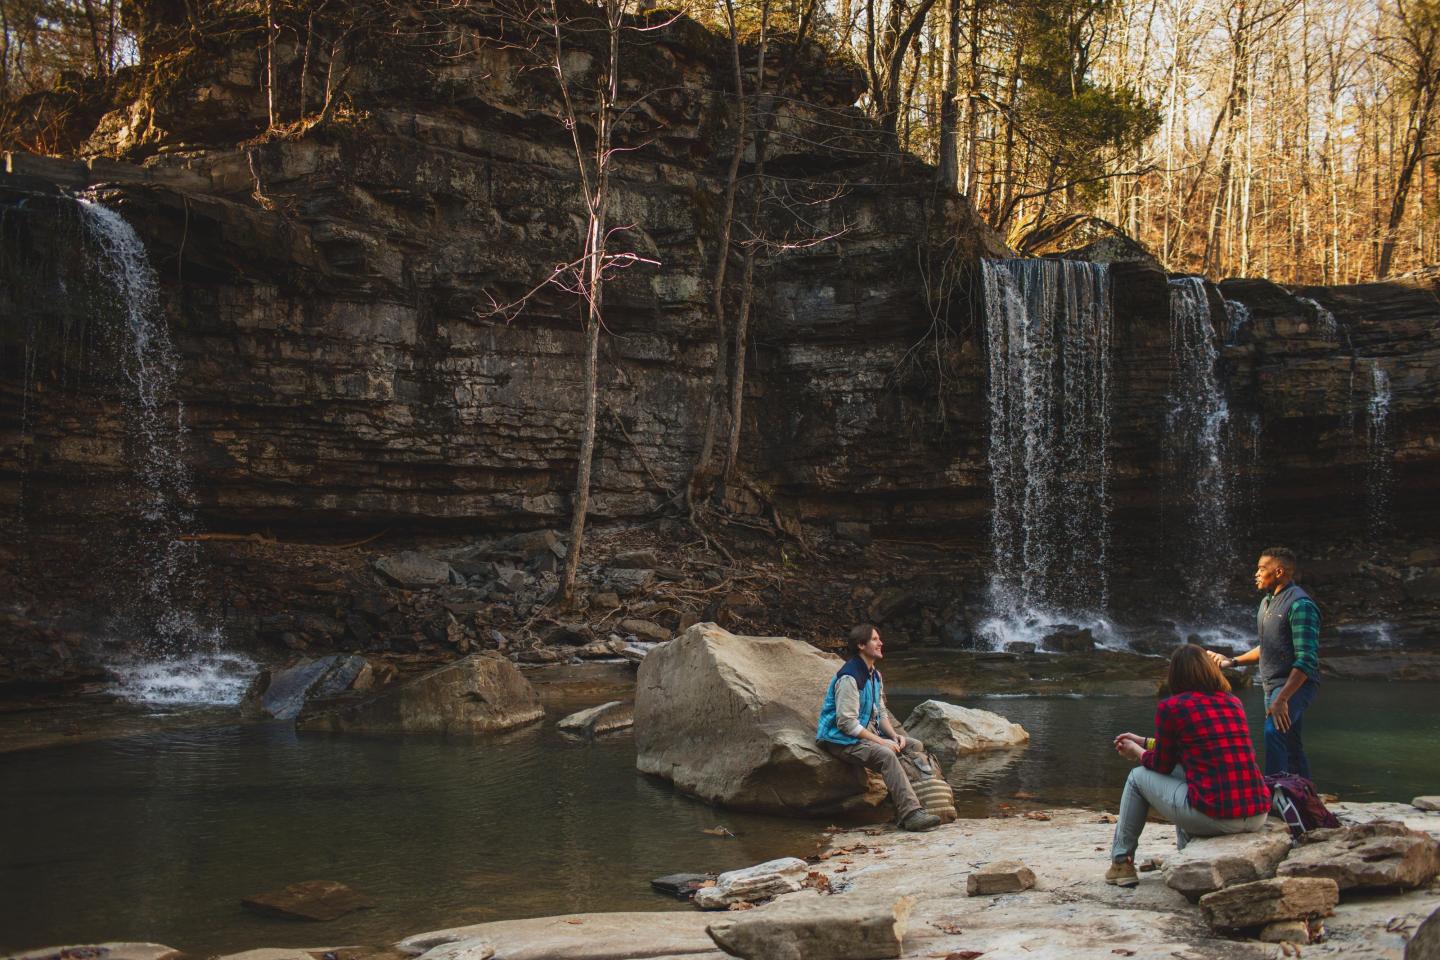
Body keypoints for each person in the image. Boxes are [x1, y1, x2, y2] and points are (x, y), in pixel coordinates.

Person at [1106, 644, 1270, 887]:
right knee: (1188, 779)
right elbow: (1190, 749)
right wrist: (1145, 742)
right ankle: (1186, 857)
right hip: (1257, 813)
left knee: (1137, 777)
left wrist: (1136, 752)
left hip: (1218, 816)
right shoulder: (1232, 702)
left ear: (1176, 675)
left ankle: (1122, 863)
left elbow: (1162, 765)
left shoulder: (1172, 707)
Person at [1206, 547, 1321, 779]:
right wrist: (1232, 661)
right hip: (1273, 685)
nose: (1256, 574)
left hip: (1293, 684)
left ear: (1279, 572)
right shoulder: (1267, 603)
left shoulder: (1301, 605)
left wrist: (1283, 698)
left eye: (1261, 569)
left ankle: (1273, 794)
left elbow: (1307, 659)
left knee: (1273, 733)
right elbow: (1268, 646)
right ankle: (1305, 798)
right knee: (1290, 743)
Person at [816, 624, 941, 832]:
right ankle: (910, 815)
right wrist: (882, 742)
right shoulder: (849, 677)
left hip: (863, 735)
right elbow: (846, 724)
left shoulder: (875, 675)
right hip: (839, 740)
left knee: (914, 745)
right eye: (875, 639)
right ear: (861, 645)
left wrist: (894, 736)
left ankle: (921, 804)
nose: (881, 643)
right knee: (886, 755)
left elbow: (881, 712)